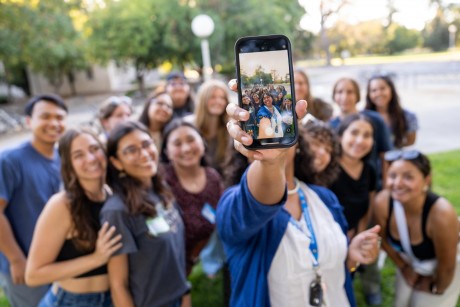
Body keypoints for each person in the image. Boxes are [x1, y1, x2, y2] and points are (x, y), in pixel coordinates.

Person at [217, 80, 381, 306]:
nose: (269, 136)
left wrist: (350, 256)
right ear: (243, 146)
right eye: (257, 133)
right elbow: (261, 199)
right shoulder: (234, 205)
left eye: (281, 127)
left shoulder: (325, 199)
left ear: (299, 143)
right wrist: (270, 162)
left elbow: (334, 271)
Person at [25, 128, 122, 306]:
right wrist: (96, 259)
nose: (91, 158)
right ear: (68, 165)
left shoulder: (113, 195)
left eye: (94, 149)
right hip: (73, 301)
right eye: (78, 155)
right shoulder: (62, 205)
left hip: (113, 298)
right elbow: (33, 275)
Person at [101, 121, 190, 307]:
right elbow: (118, 285)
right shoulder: (117, 211)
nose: (144, 154)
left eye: (146, 144)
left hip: (179, 298)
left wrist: (184, 294)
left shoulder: (160, 190)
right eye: (131, 150)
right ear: (116, 162)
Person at [0, 94, 68, 307]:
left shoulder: (62, 160)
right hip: (25, 265)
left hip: (57, 263)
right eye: (45, 117)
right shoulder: (10, 161)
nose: (53, 123)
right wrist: (16, 259)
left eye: (59, 117)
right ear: (29, 121)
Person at [373, 150, 460, 307]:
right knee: (400, 302)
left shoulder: (441, 214)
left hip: (447, 267)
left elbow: (447, 267)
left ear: (426, 180)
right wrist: (403, 267)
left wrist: (436, 288)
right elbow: (382, 240)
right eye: (392, 176)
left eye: (408, 177)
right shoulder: (383, 202)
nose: (397, 183)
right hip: (411, 260)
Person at [160, 119, 224, 275]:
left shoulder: (213, 178)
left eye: (191, 140)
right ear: (167, 152)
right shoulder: (161, 184)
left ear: (202, 143)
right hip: (168, 269)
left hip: (204, 266)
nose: (186, 148)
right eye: (177, 143)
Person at [329, 77, 392, 191]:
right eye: (339, 92)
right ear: (334, 96)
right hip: (341, 186)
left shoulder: (374, 119)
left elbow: (385, 156)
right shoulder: (330, 126)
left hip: (373, 185)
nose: (344, 97)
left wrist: (386, 187)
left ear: (357, 95)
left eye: (350, 92)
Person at [329, 113, 376, 239]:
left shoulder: (369, 170)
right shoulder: (327, 168)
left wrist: (358, 236)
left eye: (367, 135)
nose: (360, 140)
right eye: (354, 133)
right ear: (340, 136)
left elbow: (368, 209)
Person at [184, 79, 230, 175]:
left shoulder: (230, 129)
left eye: (222, 98)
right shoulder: (187, 125)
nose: (218, 101)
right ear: (203, 99)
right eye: (212, 97)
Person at [365, 75, 418, 148]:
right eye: (374, 90)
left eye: (382, 88)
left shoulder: (408, 116)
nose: (379, 93)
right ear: (369, 94)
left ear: (391, 90)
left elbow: (410, 141)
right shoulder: (363, 117)